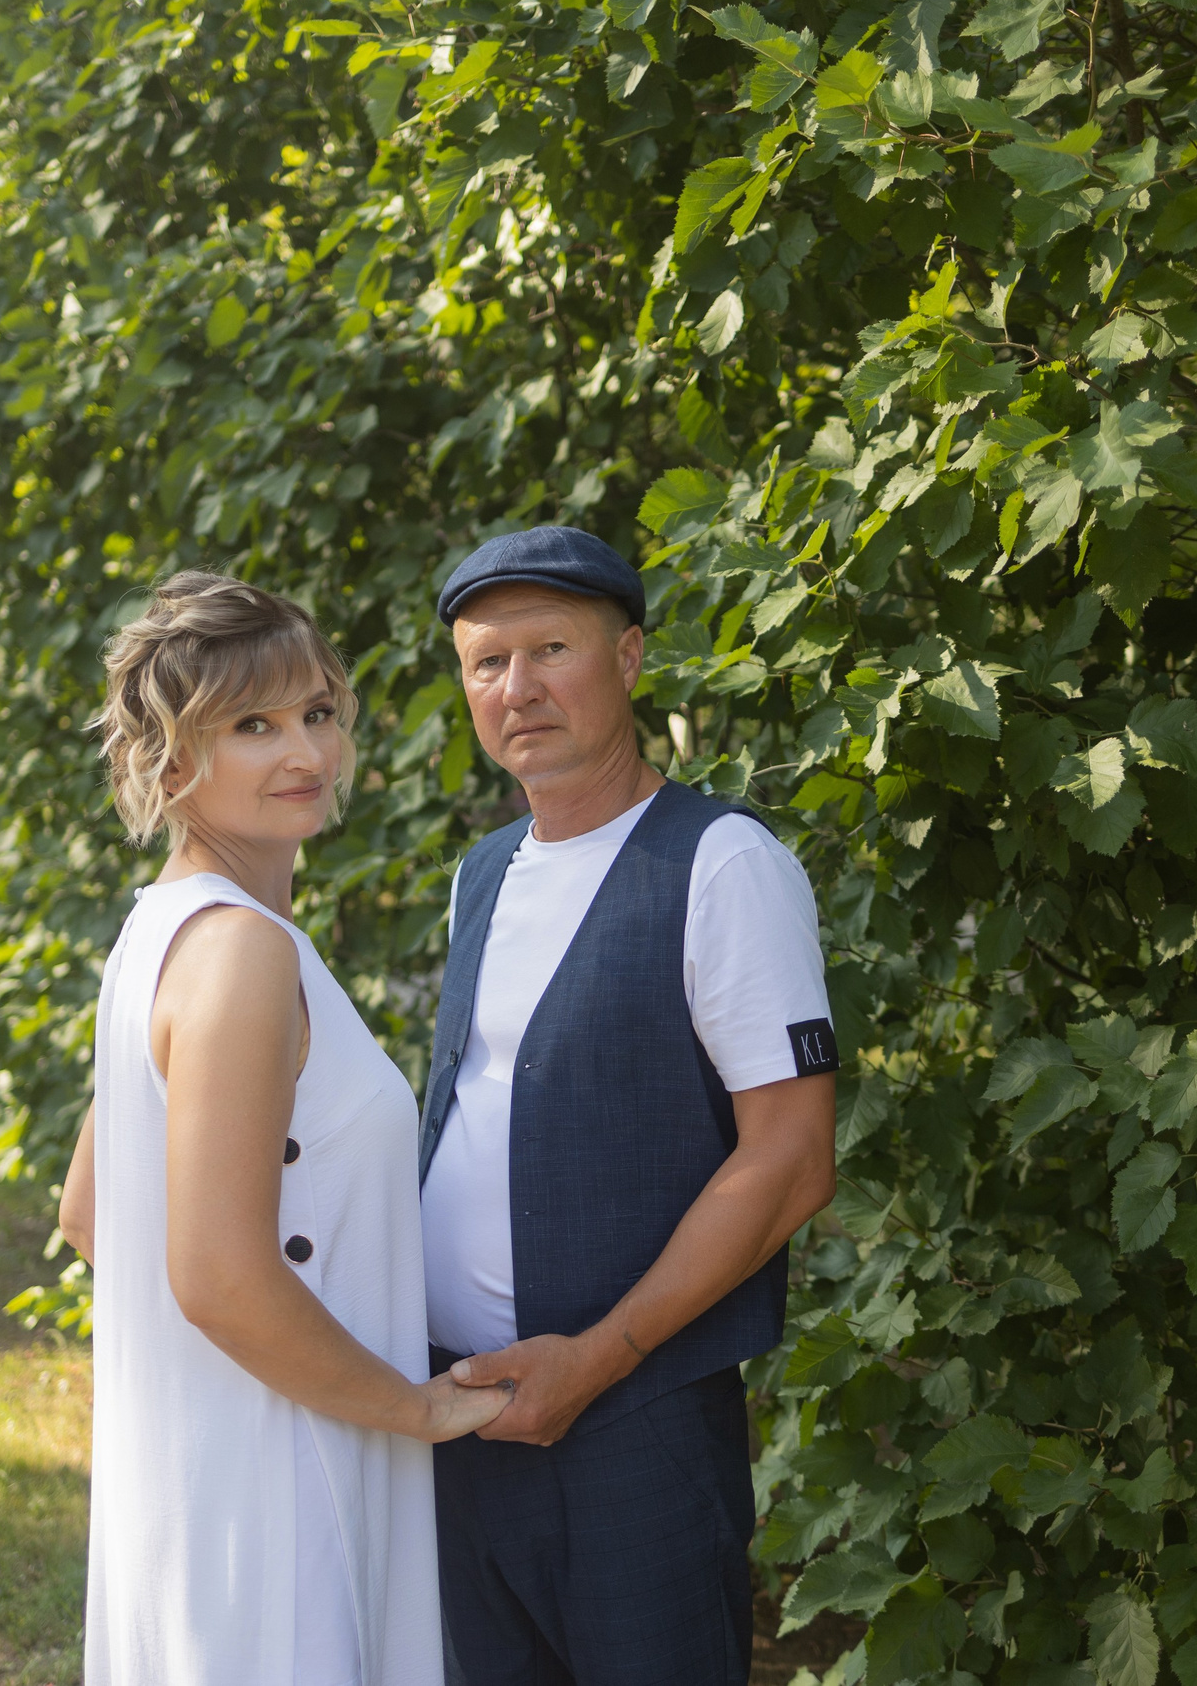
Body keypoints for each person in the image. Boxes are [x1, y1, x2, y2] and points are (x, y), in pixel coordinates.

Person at [60, 571, 508, 1686]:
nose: (301, 748)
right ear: (170, 761)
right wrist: (408, 1408)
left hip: (228, 1458)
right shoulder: (237, 954)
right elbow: (214, 1277)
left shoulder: (165, 931)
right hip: (283, 1479)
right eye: (250, 725)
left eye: (315, 711)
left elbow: (89, 1213)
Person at [420, 526, 842, 1685]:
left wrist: (597, 1358)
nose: (519, 688)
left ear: (631, 658)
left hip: (632, 1428)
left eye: (551, 648)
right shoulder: (483, 874)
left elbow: (793, 1159)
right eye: (485, 662)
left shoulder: (721, 863)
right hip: (462, 1425)